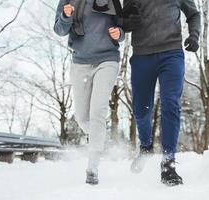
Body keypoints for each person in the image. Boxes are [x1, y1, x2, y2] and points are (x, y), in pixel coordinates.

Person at [122, 0, 201, 186]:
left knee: (170, 103)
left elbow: (194, 14)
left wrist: (194, 36)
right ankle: (146, 146)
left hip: (171, 53)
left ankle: (168, 164)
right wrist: (126, 21)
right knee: (140, 110)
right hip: (142, 55)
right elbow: (122, 22)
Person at [54, 0, 124, 185]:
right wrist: (66, 16)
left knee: (97, 111)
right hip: (80, 62)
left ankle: (92, 167)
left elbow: (122, 27)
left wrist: (119, 34)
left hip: (107, 59)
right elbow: (59, 30)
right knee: (82, 117)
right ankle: (98, 139)